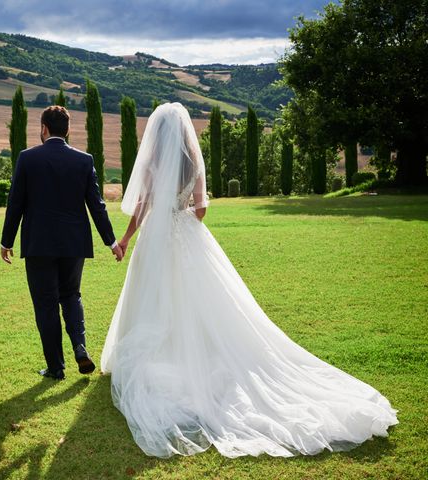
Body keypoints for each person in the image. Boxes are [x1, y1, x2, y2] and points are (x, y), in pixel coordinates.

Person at [100, 102, 398, 458]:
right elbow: (202, 210)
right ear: (183, 134)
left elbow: (143, 206)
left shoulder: (152, 164)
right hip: (187, 238)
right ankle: (197, 355)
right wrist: (182, 224)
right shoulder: (193, 163)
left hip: (155, 240)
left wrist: (126, 239)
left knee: (154, 297)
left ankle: (159, 358)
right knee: (199, 301)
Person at [0, 105, 123, 381]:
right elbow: (97, 206)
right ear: (68, 129)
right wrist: (111, 241)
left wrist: (7, 241)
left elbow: (15, 204)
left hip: (39, 244)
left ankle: (56, 367)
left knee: (45, 303)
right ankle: (79, 344)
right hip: (73, 244)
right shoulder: (84, 160)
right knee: (71, 295)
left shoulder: (27, 158)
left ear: (43, 128)